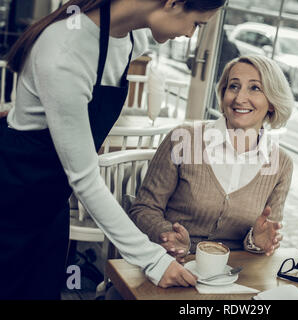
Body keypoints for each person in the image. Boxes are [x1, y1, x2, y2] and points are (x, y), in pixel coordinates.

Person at [0, 0, 225, 300]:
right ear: (172, 3)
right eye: (197, 24)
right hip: (10, 202)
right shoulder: (65, 49)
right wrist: (153, 259)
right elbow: (85, 180)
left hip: (50, 204)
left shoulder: (131, 38)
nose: (190, 35)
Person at [129, 55, 294, 262]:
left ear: (272, 102)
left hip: (233, 274)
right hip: (168, 262)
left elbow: (265, 234)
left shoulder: (282, 163)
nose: (239, 98)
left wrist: (256, 241)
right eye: (233, 86)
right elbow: (144, 208)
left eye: (255, 88)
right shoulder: (184, 139)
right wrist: (167, 235)